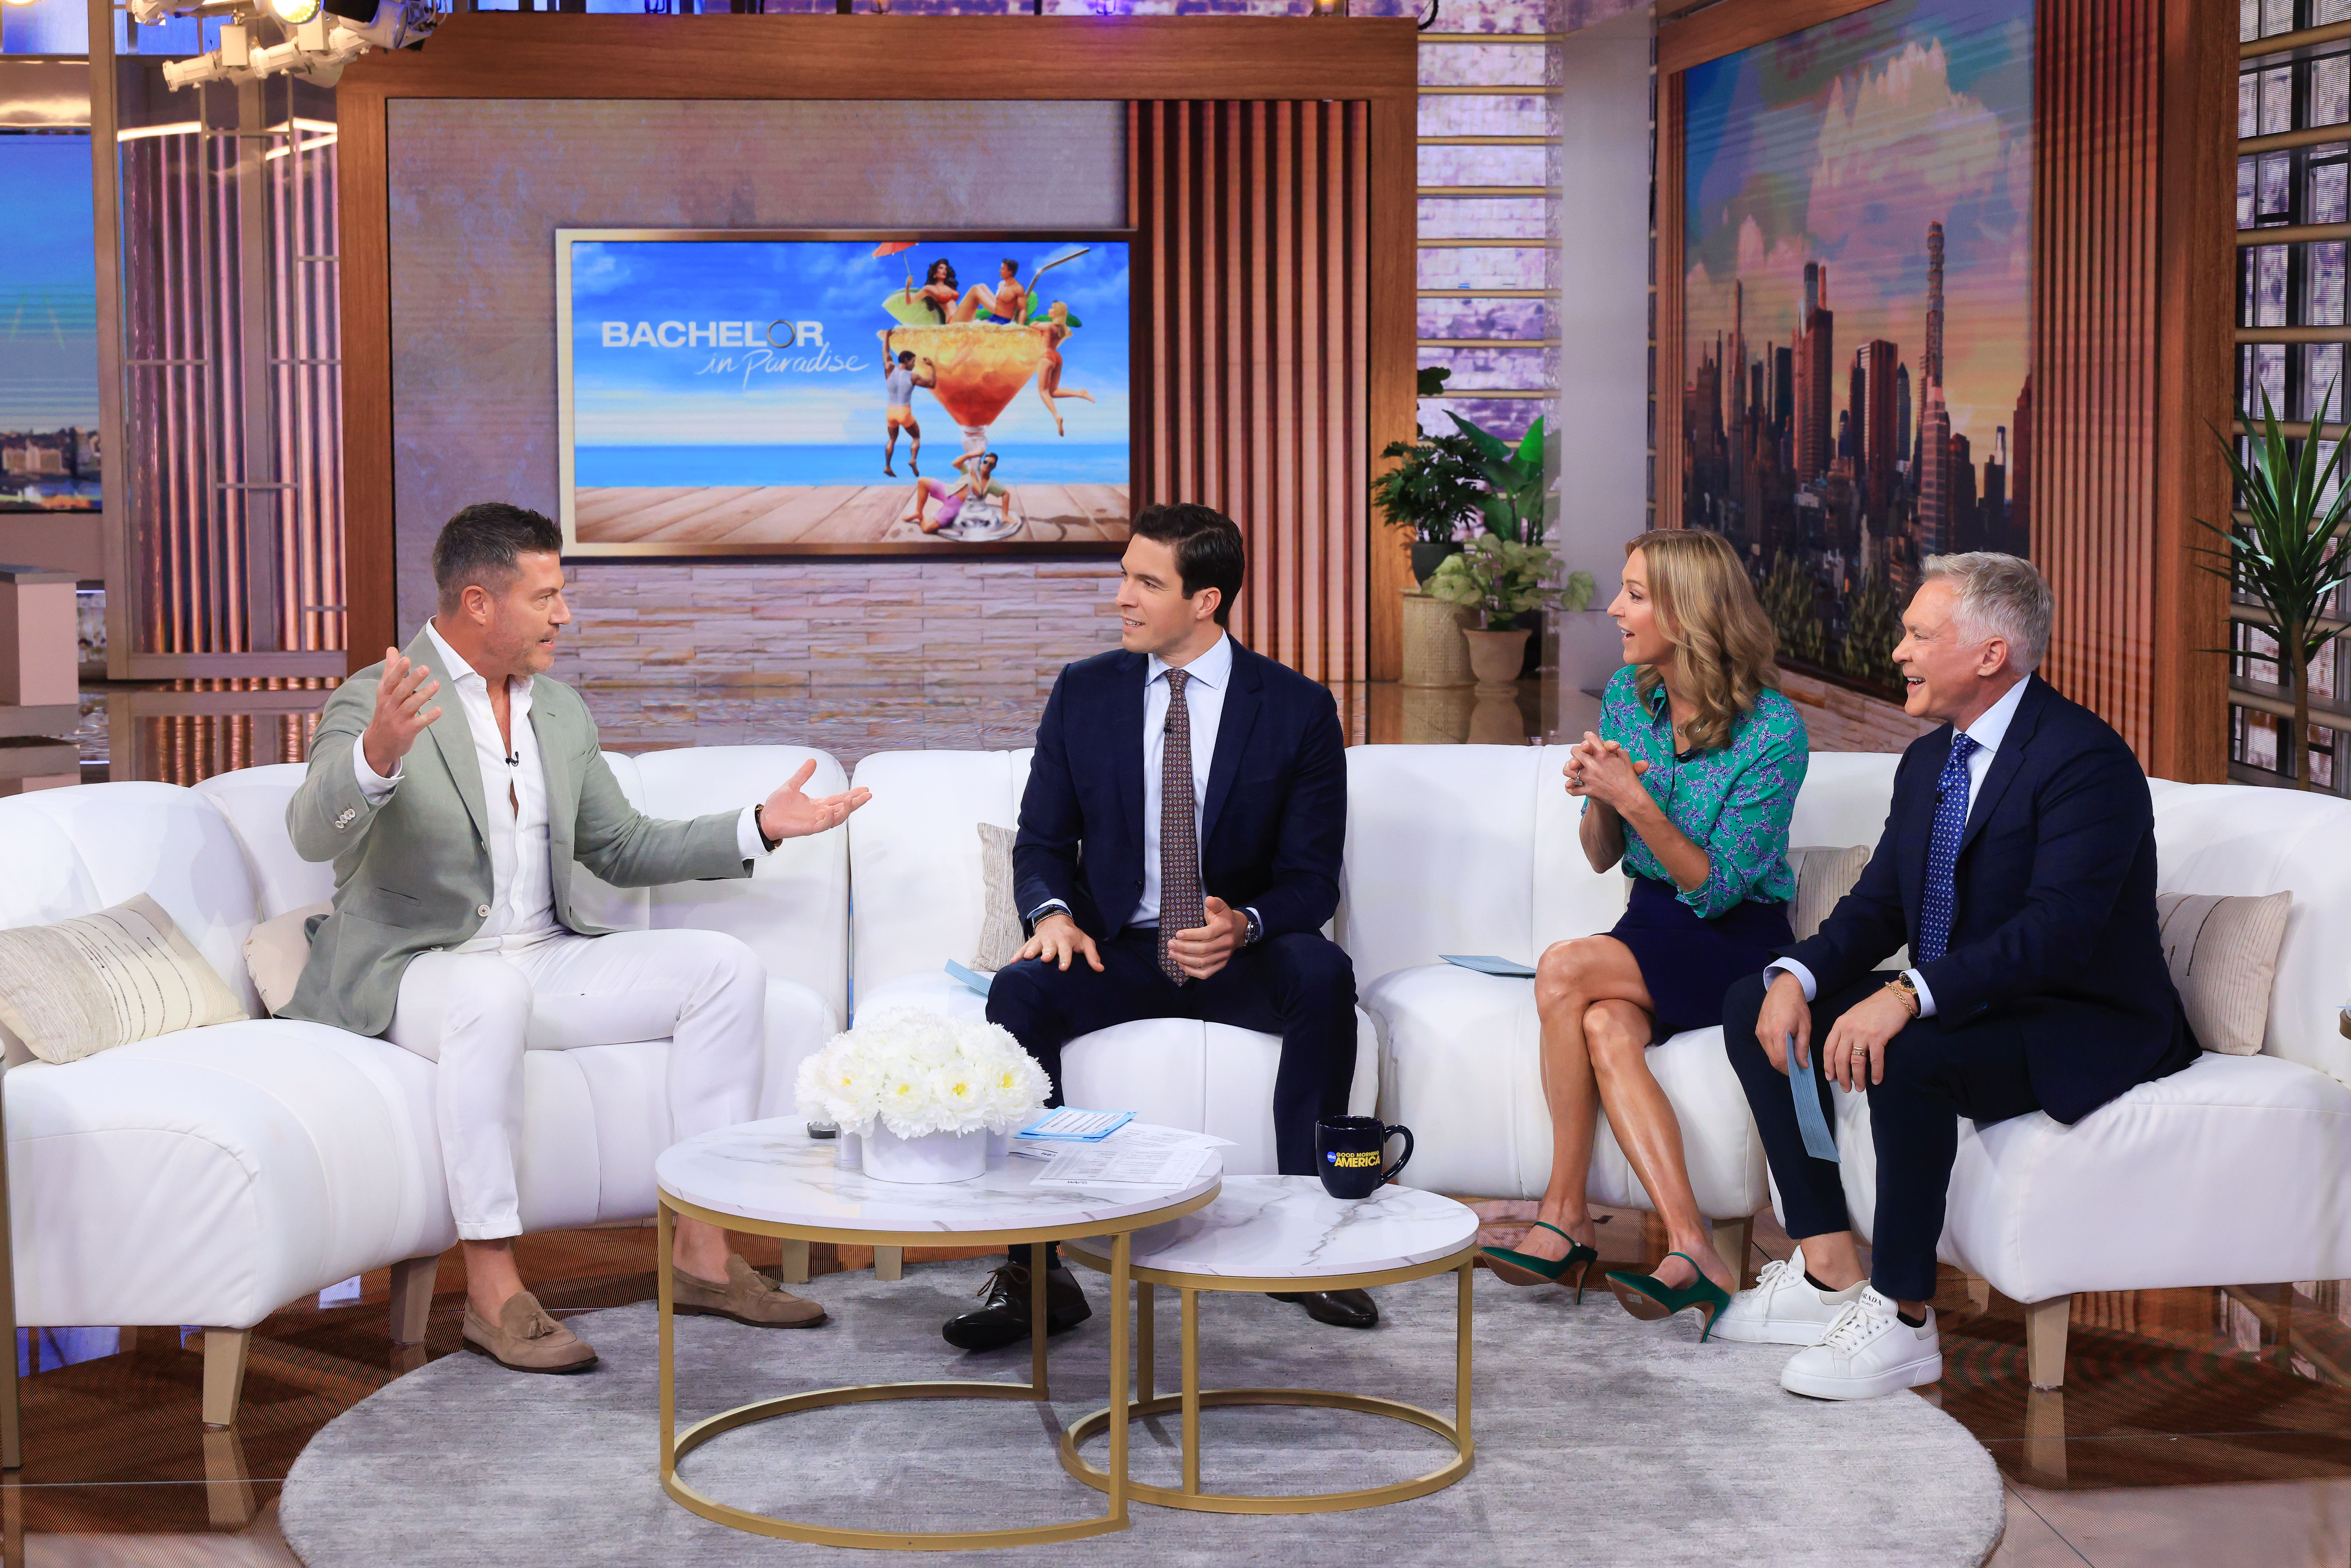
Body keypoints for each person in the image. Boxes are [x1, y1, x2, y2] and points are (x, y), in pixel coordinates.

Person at [281, 503, 872, 1375]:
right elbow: (309, 832)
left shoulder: (557, 711)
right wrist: (375, 756)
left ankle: (702, 1253)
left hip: (540, 959)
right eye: (546, 597)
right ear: (478, 603)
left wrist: (757, 826)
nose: (564, 615)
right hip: (417, 969)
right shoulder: (381, 697)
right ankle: (492, 1291)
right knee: (490, 993)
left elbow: (621, 846)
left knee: (723, 969)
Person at [1717, 552, 2198, 1400]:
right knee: (1752, 1000)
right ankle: (1827, 1270)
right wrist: (1795, 974)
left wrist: (1905, 995)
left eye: (1917, 635)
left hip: (2076, 1013)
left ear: (1989, 655)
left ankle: (1904, 1320)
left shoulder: (2086, 762)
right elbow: (1879, 908)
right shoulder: (1929, 760)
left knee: (1909, 1053)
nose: (1897, 651)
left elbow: (2057, 933)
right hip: (1974, 996)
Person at [946, 503, 1365, 1351]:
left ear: (1205, 601)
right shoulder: (1084, 692)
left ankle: (1312, 1247)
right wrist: (1053, 915)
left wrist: (1244, 923)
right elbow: (1041, 840)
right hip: (1120, 949)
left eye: (1146, 582)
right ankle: (1038, 1272)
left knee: (1322, 976)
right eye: (1123, 577)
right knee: (1020, 990)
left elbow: (1311, 880)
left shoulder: (1296, 709)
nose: (1122, 598)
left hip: (1236, 950)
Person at [1478, 529, 1806, 1339]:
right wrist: (1600, 791)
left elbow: (1718, 888)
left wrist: (1635, 798)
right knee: (1602, 1024)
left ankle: (1564, 1214)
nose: (1615, 610)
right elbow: (1602, 856)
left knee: (1563, 970)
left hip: (1735, 937)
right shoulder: (1631, 695)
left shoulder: (1773, 732)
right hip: (1652, 922)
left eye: (1635, 595)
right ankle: (1695, 1248)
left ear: (1688, 612)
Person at [900, 451, 1017, 537]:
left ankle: (921, 518)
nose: (987, 466)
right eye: (986, 462)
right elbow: (956, 463)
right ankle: (918, 512)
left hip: (956, 506)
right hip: (949, 491)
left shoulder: (990, 483)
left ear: (994, 467)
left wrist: (1005, 515)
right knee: (922, 481)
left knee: (927, 529)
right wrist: (971, 455)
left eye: (991, 465)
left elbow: (1004, 494)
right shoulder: (971, 469)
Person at [1032, 301, 1095, 436]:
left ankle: (1056, 416)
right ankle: (1081, 394)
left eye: (1052, 308)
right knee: (1053, 391)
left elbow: (1033, 325)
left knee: (1043, 391)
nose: (1049, 310)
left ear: (1057, 313)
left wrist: (1035, 323)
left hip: (1046, 357)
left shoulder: (1049, 326)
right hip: (1057, 358)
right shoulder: (1064, 330)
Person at [881, 347, 934, 477]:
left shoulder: (889, 369)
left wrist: (887, 338)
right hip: (904, 412)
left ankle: (888, 466)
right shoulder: (913, 377)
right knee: (916, 437)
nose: (914, 365)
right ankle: (913, 460)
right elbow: (932, 384)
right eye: (913, 362)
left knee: (892, 439)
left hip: (891, 412)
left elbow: (886, 353)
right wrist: (932, 367)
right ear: (906, 361)